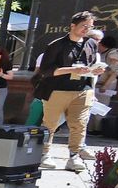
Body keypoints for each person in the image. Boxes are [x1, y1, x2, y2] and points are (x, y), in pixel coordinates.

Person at [35, 11, 104, 171]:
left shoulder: (91, 44)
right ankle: (44, 154)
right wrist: (70, 69)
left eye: (90, 27)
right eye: (83, 26)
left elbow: (92, 65)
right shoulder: (56, 45)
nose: (86, 29)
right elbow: (46, 70)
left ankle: (74, 156)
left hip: (82, 90)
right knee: (50, 124)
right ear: (72, 26)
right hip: (57, 90)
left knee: (79, 125)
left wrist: (95, 70)